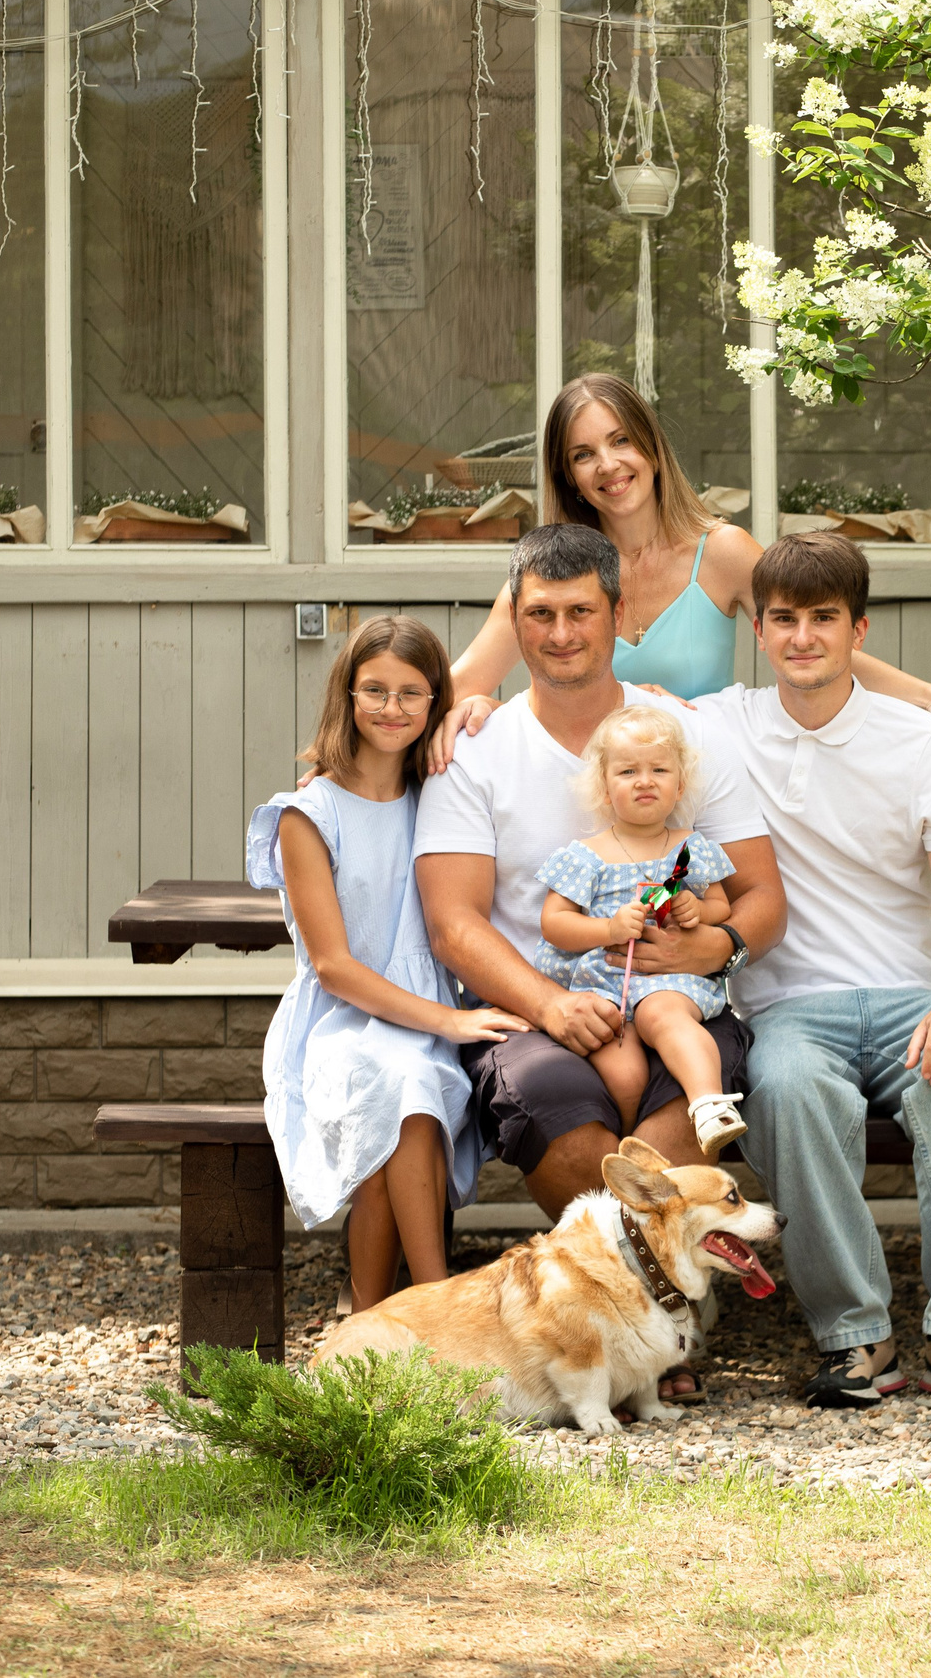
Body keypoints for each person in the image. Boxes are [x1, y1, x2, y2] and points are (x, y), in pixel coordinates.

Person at [694, 532, 931, 1410]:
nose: (804, 637)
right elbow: (600, 707)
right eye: (785, 619)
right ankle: (857, 1336)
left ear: (859, 629)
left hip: (916, 996)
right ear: (759, 630)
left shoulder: (921, 742)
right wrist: (470, 709)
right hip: (793, 1004)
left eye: (824, 618)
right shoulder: (719, 724)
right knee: (787, 1087)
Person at [417, 523, 784, 1234]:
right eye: (540, 614)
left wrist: (719, 946)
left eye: (580, 611)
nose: (560, 633)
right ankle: (645, 1302)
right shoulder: (475, 751)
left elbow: (763, 897)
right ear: (514, 622)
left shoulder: (686, 737)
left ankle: (636, 1308)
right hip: (532, 1010)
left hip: (680, 1002)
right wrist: (552, 1005)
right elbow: (452, 923)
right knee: (562, 1119)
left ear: (617, 617)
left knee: (684, 1110)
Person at [430, 373, 931, 778]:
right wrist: (482, 710)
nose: (608, 465)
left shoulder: (721, 553)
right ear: (568, 476)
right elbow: (460, 684)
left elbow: (809, 637)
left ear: (651, 447)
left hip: (698, 798)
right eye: (583, 454)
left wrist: (926, 695)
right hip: (578, 792)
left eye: (621, 441)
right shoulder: (549, 575)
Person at [246, 615, 529, 1311]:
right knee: (403, 1091)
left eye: (412, 693)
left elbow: (486, 721)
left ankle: (374, 1315)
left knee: (403, 1110)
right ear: (346, 694)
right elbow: (334, 966)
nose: (391, 708)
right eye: (374, 690)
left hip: (425, 1014)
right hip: (341, 1022)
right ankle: (434, 1304)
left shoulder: (438, 791)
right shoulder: (307, 813)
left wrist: (478, 705)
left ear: (433, 701)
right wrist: (449, 1021)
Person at [535, 704, 747, 1153]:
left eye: (659, 769)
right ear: (605, 787)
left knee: (662, 1016)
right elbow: (554, 924)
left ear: (679, 785)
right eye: (628, 770)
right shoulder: (587, 855)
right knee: (625, 1072)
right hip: (606, 986)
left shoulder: (689, 849)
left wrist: (695, 910)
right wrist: (608, 928)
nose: (645, 780)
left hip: (667, 980)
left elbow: (720, 905)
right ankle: (629, 1146)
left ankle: (709, 1104)